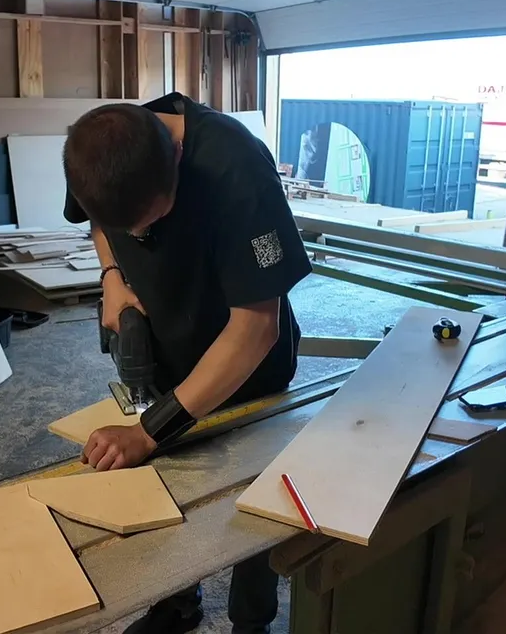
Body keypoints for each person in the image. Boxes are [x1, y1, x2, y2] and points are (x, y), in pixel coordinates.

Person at [62, 92, 311, 634]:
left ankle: (251, 621)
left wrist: (148, 431)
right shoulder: (98, 150)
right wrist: (112, 277)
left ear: (177, 157)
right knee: (169, 482)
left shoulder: (238, 170)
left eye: (151, 220)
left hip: (248, 365)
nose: (138, 238)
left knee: (253, 497)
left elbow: (256, 327)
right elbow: (98, 223)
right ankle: (176, 603)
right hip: (171, 350)